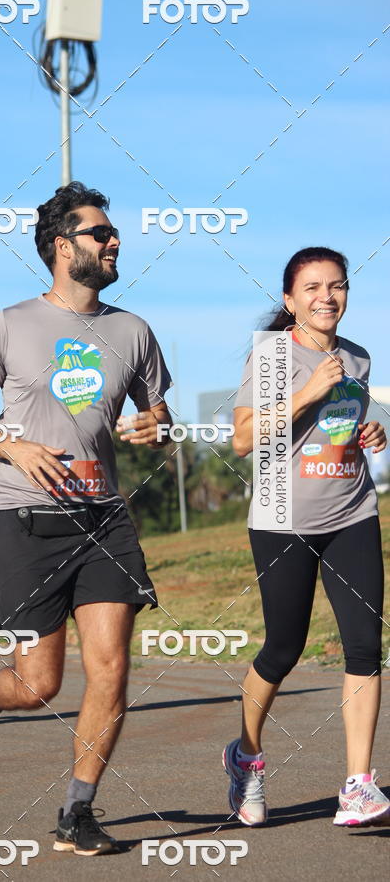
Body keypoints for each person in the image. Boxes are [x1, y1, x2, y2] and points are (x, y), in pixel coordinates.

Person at [0, 181, 173, 855]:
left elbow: (160, 413)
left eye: (113, 233)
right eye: (100, 234)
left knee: (110, 670)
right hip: (24, 519)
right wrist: (10, 443)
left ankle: (78, 811)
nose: (114, 242)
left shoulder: (132, 330)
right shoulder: (10, 324)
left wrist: (154, 426)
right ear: (60, 246)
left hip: (103, 517)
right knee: (41, 683)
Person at [225, 246, 388, 827]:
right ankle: (246, 757)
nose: (327, 296)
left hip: (352, 512)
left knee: (366, 646)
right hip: (282, 519)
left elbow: (338, 427)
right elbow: (243, 439)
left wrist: (368, 430)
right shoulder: (272, 357)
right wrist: (309, 391)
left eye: (337, 285)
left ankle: (358, 787)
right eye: (313, 287)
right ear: (290, 301)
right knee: (283, 648)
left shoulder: (359, 358)